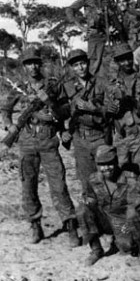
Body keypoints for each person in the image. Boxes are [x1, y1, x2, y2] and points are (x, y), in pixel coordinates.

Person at [0, 48, 80, 247]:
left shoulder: (53, 85)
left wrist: (50, 107)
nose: (33, 66)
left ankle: (70, 225)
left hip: (48, 141)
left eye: (36, 62)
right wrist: (10, 126)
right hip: (26, 142)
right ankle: (35, 224)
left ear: (40, 64)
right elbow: (6, 109)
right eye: (28, 63)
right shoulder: (19, 87)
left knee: (59, 186)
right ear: (24, 66)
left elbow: (65, 110)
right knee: (29, 186)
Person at [78, 145, 137, 266]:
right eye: (101, 165)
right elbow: (90, 196)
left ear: (116, 162)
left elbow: (135, 204)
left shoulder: (129, 179)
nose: (106, 168)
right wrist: (87, 202)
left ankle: (118, 239)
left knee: (127, 247)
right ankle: (96, 250)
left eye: (110, 163)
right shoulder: (93, 179)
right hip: (104, 218)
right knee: (82, 211)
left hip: (121, 219)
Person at [62, 49, 109, 196]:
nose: (80, 68)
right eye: (76, 65)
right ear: (71, 68)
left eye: (82, 63)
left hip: (100, 136)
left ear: (88, 63)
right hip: (80, 139)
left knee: (106, 178)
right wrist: (62, 131)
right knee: (86, 181)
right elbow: (60, 111)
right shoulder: (67, 86)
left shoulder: (101, 82)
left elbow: (112, 109)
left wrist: (93, 108)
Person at [104, 43, 140, 170]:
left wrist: (130, 101)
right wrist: (109, 109)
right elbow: (106, 112)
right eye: (122, 60)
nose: (127, 63)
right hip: (121, 135)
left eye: (128, 58)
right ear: (116, 62)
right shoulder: (111, 85)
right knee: (123, 175)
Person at [66, 0, 125, 77]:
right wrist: (81, 27)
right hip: (94, 35)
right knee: (94, 64)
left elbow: (117, 13)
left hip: (108, 35)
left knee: (111, 62)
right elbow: (70, 10)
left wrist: (115, 27)